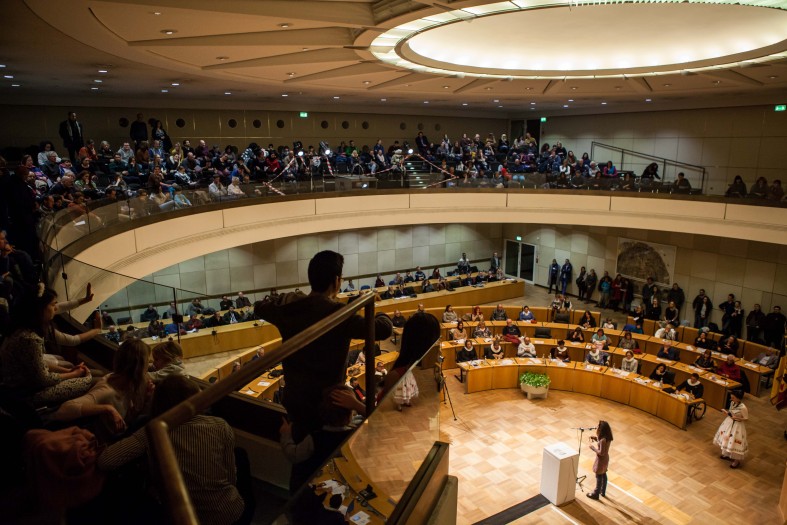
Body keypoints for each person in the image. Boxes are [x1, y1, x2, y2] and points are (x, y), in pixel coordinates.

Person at [253, 251, 392, 490]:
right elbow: (384, 328)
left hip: (297, 404)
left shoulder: (292, 310)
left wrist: (288, 298)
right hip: (331, 406)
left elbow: (259, 307)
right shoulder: (340, 315)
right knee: (331, 470)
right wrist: (370, 304)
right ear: (337, 281)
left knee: (301, 470)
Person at [99, 375, 246, 524]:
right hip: (229, 514)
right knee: (241, 456)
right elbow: (231, 476)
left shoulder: (152, 431)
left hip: (179, 517)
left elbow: (106, 461)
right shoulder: (220, 425)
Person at [0, 287, 92, 407]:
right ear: (40, 309)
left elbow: (37, 365)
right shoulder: (30, 338)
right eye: (53, 304)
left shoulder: (19, 329)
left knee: (84, 374)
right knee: (88, 378)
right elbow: (43, 380)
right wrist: (74, 374)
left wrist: (69, 371)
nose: (56, 308)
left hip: (14, 388)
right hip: (25, 395)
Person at [50, 339, 152, 442]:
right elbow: (63, 410)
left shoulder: (127, 384)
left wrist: (146, 398)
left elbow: (127, 420)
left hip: (115, 438)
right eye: (148, 362)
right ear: (139, 367)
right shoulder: (107, 391)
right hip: (102, 444)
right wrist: (107, 408)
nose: (150, 365)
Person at [714, 390, 748, 468]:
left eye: (733, 397)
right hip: (729, 422)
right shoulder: (732, 403)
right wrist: (726, 412)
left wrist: (737, 418)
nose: (731, 399)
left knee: (735, 442)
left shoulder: (743, 407)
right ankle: (726, 453)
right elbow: (730, 413)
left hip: (737, 425)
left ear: (738, 398)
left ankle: (736, 460)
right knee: (726, 438)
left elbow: (746, 418)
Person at [586, 421, 613, 500]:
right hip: (605, 459)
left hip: (601, 460)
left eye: (598, 426)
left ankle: (596, 493)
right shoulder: (607, 437)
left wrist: (593, 448)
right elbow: (603, 446)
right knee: (603, 474)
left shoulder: (602, 440)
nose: (596, 427)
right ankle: (602, 491)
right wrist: (596, 439)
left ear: (601, 429)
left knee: (598, 475)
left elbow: (601, 452)